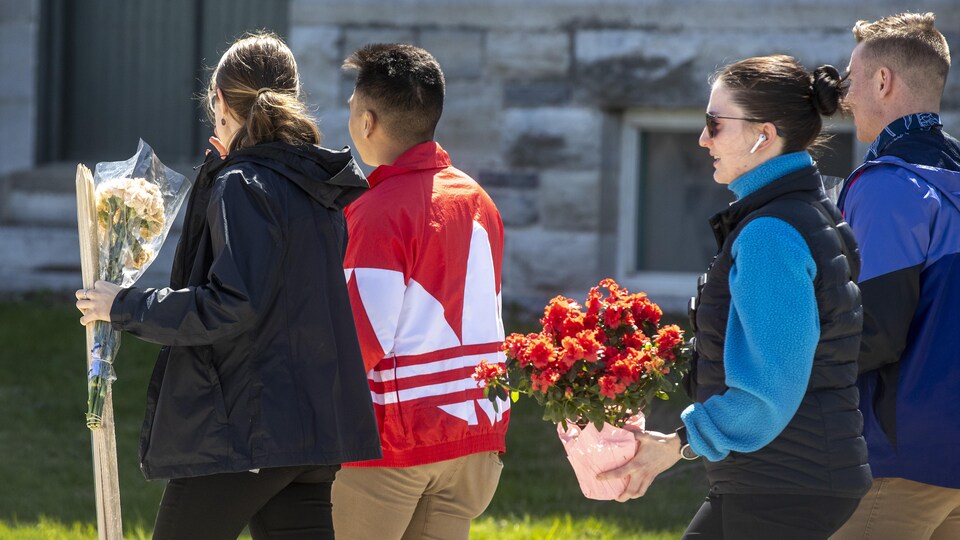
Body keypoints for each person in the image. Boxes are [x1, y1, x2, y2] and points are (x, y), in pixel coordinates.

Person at [74, 32, 381, 539]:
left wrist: (125, 306)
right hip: (310, 426)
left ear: (217, 99)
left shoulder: (244, 183)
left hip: (246, 429)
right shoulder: (311, 183)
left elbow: (232, 302)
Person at [601, 55, 872, 539]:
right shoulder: (797, 212)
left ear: (763, 135)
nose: (703, 138)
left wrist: (679, 443)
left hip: (785, 485)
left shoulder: (771, 232)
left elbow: (767, 391)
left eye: (714, 123)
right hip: (777, 478)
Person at [330, 43, 509, 540]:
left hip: (394, 444)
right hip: (476, 437)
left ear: (367, 121)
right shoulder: (479, 200)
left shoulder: (377, 210)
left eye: (351, 105)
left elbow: (358, 340)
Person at [831, 13, 960, 540]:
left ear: (882, 81)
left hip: (895, 458)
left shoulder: (887, 184)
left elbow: (875, 332)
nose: (844, 94)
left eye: (851, 78)